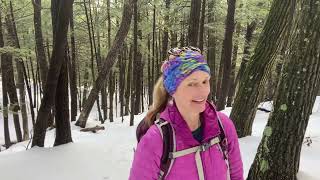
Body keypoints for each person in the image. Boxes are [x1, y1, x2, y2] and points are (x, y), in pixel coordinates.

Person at [129, 47, 243, 180]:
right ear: (173, 89)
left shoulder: (223, 125)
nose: (203, 91)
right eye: (192, 84)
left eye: (205, 81)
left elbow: (236, 175)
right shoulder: (156, 140)